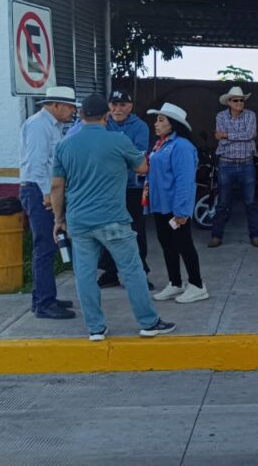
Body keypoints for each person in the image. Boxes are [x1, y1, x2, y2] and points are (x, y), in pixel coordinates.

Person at [50, 94, 175, 340]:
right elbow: (142, 167)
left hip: (78, 220)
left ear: (81, 115)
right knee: (132, 270)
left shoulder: (64, 145)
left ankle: (95, 328)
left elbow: (56, 186)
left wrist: (58, 220)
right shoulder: (118, 140)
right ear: (106, 115)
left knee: (85, 275)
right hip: (113, 219)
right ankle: (148, 323)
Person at [20, 86, 77, 320]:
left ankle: (45, 297)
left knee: (50, 246)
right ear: (55, 105)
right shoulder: (38, 125)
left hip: (43, 189)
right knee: (44, 246)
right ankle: (44, 303)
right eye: (69, 106)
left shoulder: (54, 126)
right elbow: (37, 164)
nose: (72, 111)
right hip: (38, 190)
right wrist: (47, 194)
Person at [145, 103, 209, 303]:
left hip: (175, 206)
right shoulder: (161, 144)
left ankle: (197, 285)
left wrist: (181, 211)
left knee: (183, 243)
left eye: (161, 120)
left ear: (172, 124)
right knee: (167, 243)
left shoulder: (181, 146)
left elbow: (185, 181)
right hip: (160, 204)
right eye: (156, 120)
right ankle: (175, 282)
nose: (156, 124)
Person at [95, 89, 154, 290]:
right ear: (108, 106)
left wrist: (111, 157)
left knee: (135, 230)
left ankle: (141, 272)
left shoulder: (140, 126)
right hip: (108, 187)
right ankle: (110, 272)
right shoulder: (102, 123)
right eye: (114, 104)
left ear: (130, 107)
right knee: (108, 228)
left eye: (122, 105)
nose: (118, 109)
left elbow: (138, 157)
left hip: (132, 187)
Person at [209, 86, 258, 248]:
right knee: (222, 203)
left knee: (250, 202)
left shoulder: (251, 115)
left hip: (246, 163)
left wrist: (226, 135)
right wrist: (239, 136)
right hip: (226, 163)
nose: (240, 103)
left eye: (242, 100)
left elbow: (250, 134)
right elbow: (242, 136)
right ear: (229, 102)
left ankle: (255, 236)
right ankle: (216, 236)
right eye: (236, 100)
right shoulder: (220, 116)